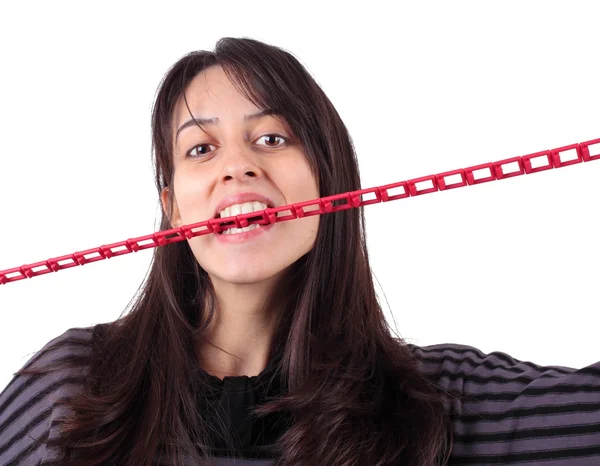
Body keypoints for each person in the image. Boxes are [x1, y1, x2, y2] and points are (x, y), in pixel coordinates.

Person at [0, 37, 599, 466]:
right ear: (172, 208)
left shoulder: (434, 403)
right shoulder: (72, 386)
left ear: (329, 183)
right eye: (201, 150)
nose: (238, 166)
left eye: (271, 137)